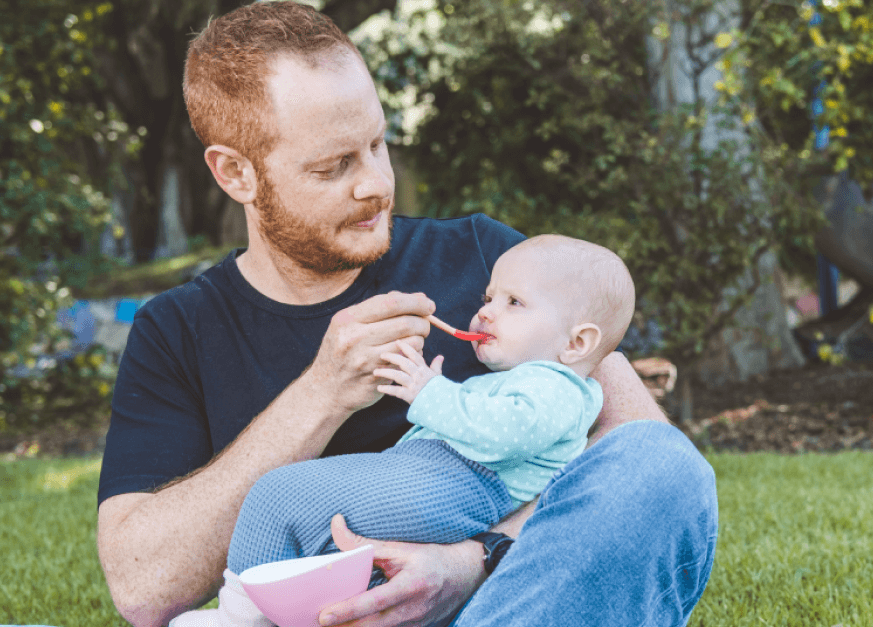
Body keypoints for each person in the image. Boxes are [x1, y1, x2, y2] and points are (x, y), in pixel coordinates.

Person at [94, 2, 718, 627]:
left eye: (377, 144)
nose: (375, 184)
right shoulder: (179, 331)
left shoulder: (488, 261)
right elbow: (143, 587)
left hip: (506, 603)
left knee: (663, 468)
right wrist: (322, 393)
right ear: (236, 174)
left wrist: (474, 559)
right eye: (334, 165)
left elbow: (635, 449)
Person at [170, 235, 636, 627]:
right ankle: (265, 611)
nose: (487, 312)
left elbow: (505, 435)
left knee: (280, 495)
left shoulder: (557, 387)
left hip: (468, 486)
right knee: (310, 522)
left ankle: (238, 617)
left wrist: (429, 391)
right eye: (487, 299)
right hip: (447, 482)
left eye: (514, 303)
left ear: (578, 343)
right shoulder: (524, 380)